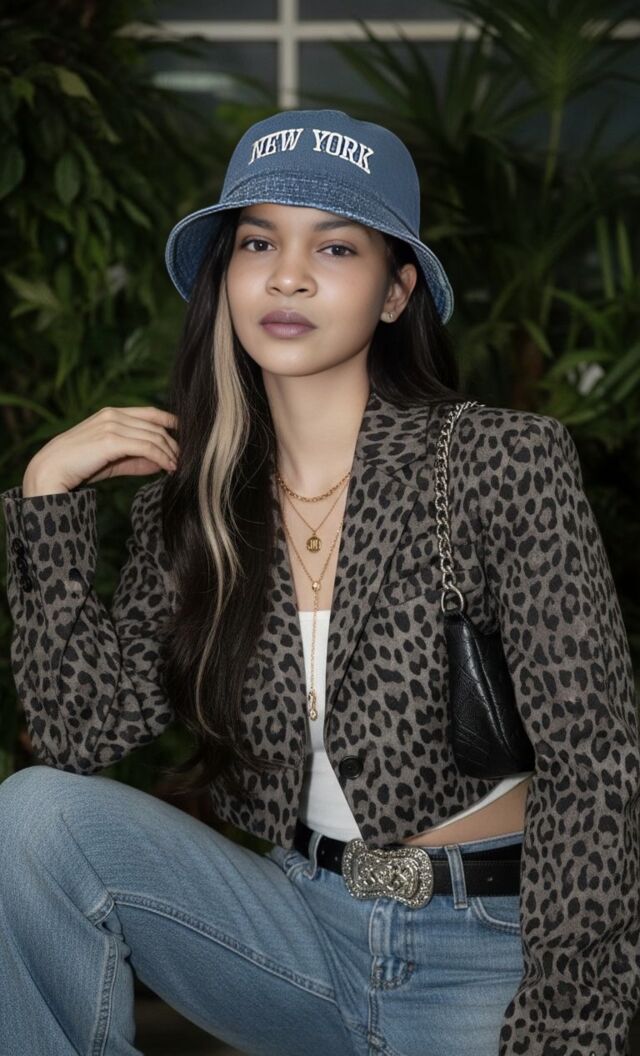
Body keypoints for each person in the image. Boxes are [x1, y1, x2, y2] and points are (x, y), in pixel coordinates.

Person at [0, 108, 638, 1056]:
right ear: (225, 276)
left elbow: (596, 763)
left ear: (396, 292)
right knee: (32, 816)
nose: (287, 275)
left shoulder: (499, 461)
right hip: (297, 927)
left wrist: (570, 1024)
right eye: (258, 241)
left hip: (480, 947)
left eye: (335, 248)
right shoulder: (198, 503)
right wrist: (46, 498)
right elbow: (78, 735)